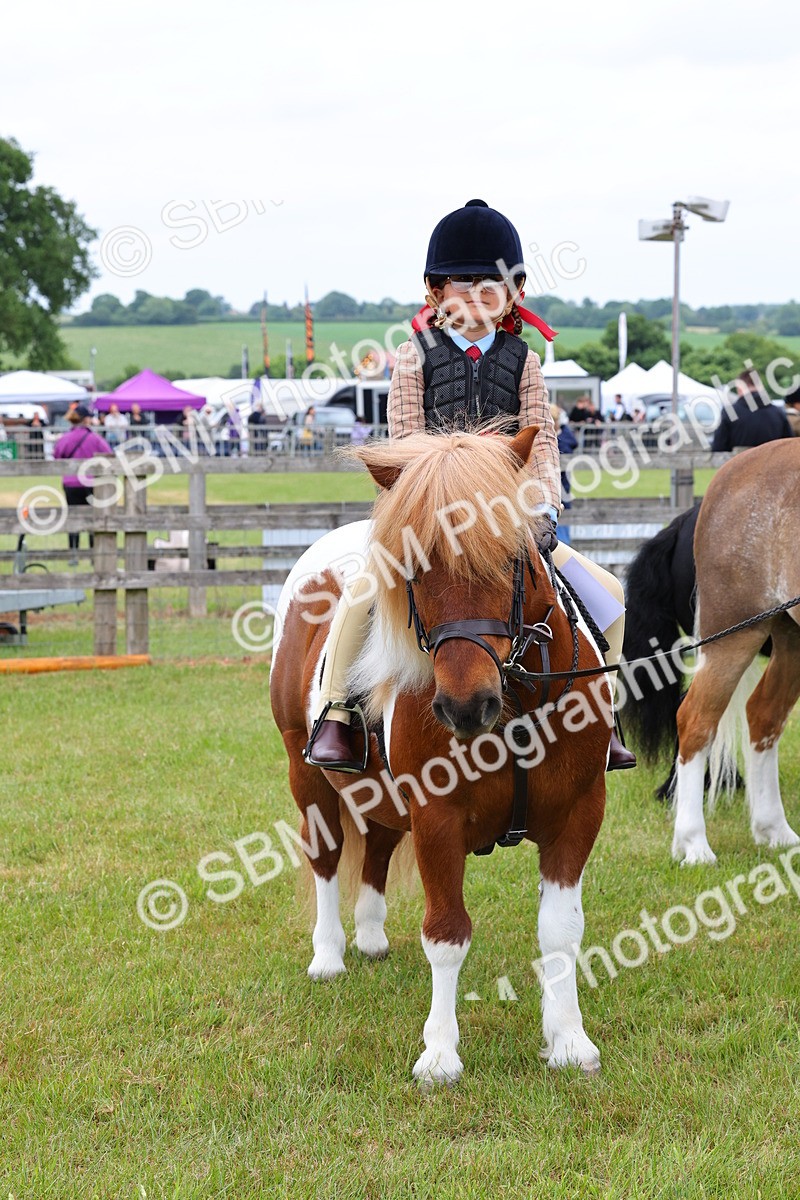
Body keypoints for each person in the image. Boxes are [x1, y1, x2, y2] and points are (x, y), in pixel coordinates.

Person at [305, 198, 635, 772]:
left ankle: (603, 716)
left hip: (507, 523)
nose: (478, 302)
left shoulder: (524, 361)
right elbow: (404, 441)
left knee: (607, 596)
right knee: (361, 595)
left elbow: (542, 439)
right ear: (436, 294)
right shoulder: (413, 358)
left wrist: (543, 508)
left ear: (514, 295)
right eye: (465, 289)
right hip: (425, 516)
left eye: (492, 290)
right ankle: (337, 713)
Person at [53, 405, 113, 565]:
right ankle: (95, 555)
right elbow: (109, 454)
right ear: (86, 419)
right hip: (91, 483)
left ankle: (74, 555)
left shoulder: (65, 438)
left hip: (71, 483)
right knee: (94, 518)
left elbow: (57, 456)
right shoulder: (95, 438)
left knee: (73, 518)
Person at [711, 368, 793, 451]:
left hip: (740, 463)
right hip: (773, 463)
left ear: (739, 388)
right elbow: (789, 447)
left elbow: (718, 448)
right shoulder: (778, 413)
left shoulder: (730, 412)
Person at [551, 403, 577, 547]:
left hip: (562, 490)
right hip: (545, 491)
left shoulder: (564, 438)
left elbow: (568, 449)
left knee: (563, 541)